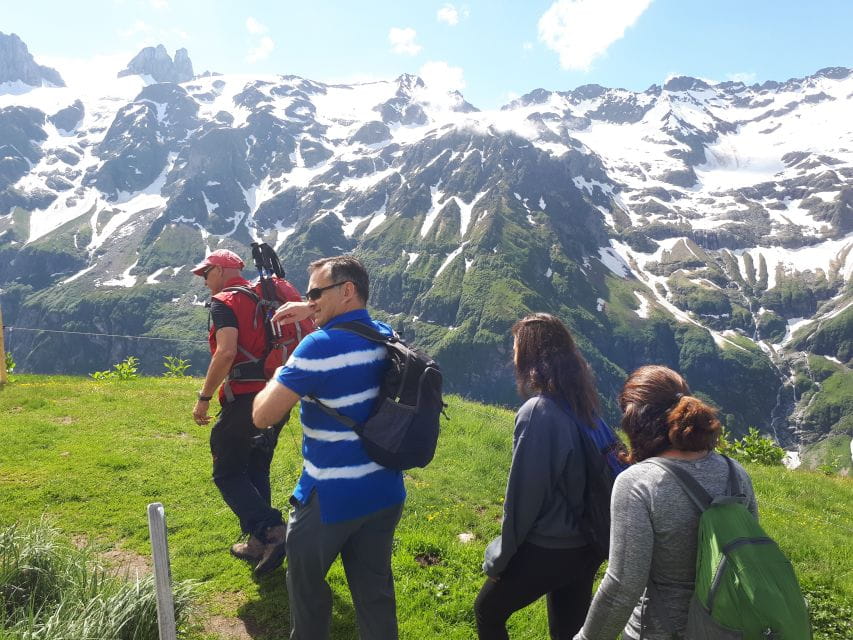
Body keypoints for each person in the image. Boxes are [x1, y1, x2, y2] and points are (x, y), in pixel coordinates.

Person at [252, 255, 406, 640]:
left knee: (305, 589)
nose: (311, 300)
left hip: (332, 497)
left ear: (347, 291)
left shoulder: (317, 347)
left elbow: (263, 416)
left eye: (316, 292)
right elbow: (351, 320)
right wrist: (316, 306)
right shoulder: (385, 334)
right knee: (375, 594)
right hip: (385, 488)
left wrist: (279, 373)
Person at [575, 365, 758, 640]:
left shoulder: (639, 483)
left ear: (635, 419)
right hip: (729, 627)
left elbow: (624, 584)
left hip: (658, 630)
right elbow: (748, 554)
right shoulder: (735, 473)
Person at [474, 313, 606, 640]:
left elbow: (523, 499)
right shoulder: (585, 406)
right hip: (589, 541)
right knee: (568, 629)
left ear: (530, 356)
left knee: (488, 610)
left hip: (552, 546)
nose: (513, 355)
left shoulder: (539, 412)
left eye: (516, 347)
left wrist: (501, 557)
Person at [191, 249, 287, 575]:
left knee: (227, 472)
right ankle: (258, 543)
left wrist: (204, 397)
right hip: (277, 395)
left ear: (219, 270)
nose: (204, 281)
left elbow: (226, 352)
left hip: (245, 399)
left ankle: (273, 530)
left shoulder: (225, 302)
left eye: (206, 274)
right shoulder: (264, 297)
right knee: (256, 465)